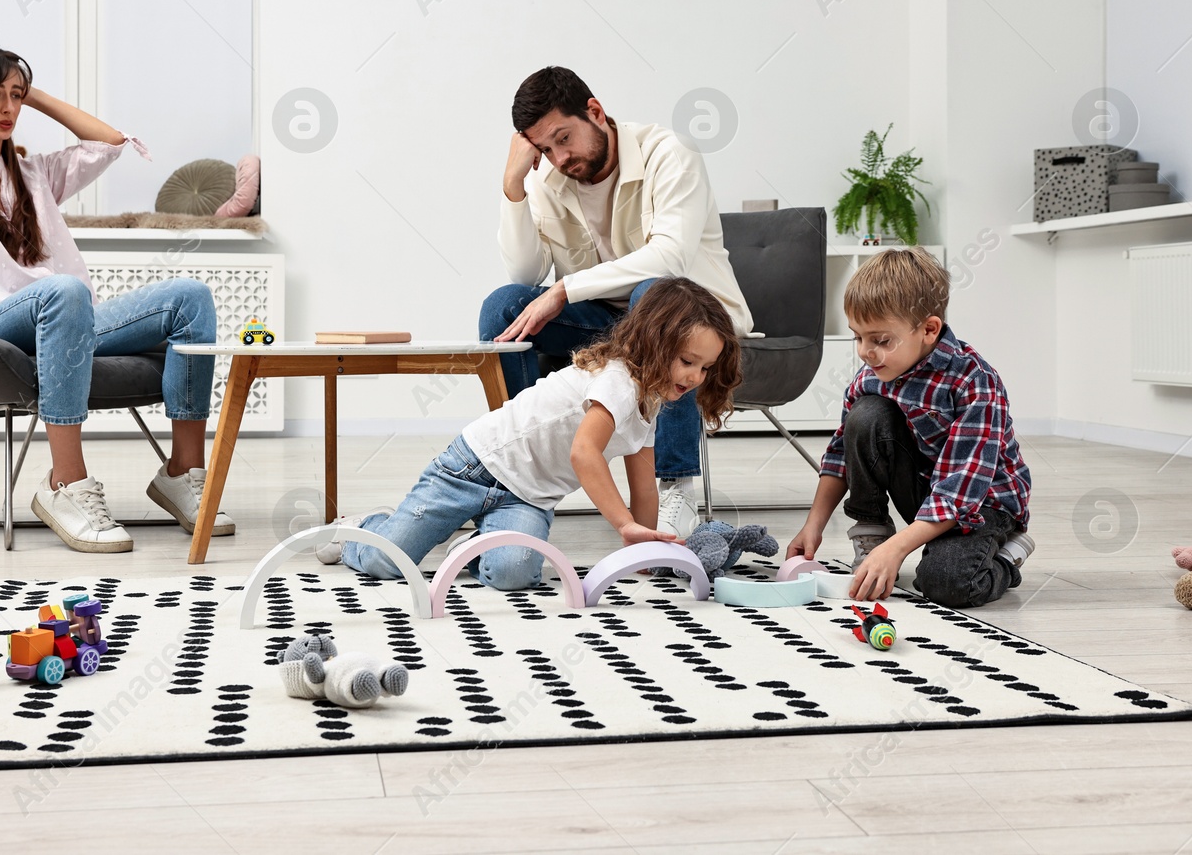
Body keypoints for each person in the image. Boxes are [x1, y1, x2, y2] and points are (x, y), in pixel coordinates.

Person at [0, 43, 232, 553]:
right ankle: (65, 483)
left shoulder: (33, 174)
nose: (9, 109)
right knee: (63, 290)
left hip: (59, 315)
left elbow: (109, 142)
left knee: (189, 297)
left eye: (16, 97)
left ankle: (182, 472)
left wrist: (35, 96)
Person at [325, 278, 743, 590]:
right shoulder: (616, 381)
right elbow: (585, 453)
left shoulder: (650, 401)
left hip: (529, 496)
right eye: (689, 361)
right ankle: (362, 530)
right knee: (388, 560)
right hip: (472, 468)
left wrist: (646, 546)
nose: (696, 377)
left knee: (514, 573)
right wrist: (623, 525)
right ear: (655, 343)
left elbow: (644, 483)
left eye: (705, 368)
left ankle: (477, 545)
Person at [481, 66, 752, 542]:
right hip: (604, 322)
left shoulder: (669, 153)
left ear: (595, 112)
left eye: (564, 138)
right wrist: (513, 187)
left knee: (654, 296)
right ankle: (514, 480)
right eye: (544, 149)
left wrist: (564, 290)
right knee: (504, 306)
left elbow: (670, 256)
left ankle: (675, 487)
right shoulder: (548, 180)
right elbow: (524, 274)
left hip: (690, 317)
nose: (559, 157)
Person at [786, 248, 1035, 607]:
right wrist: (814, 526)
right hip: (925, 492)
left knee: (946, 584)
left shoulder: (975, 382)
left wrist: (899, 550)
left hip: (982, 504)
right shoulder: (872, 376)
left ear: (929, 329)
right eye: (858, 337)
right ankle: (873, 537)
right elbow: (841, 455)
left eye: (880, 340)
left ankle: (1008, 557)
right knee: (866, 414)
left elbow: (959, 492)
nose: (865, 352)